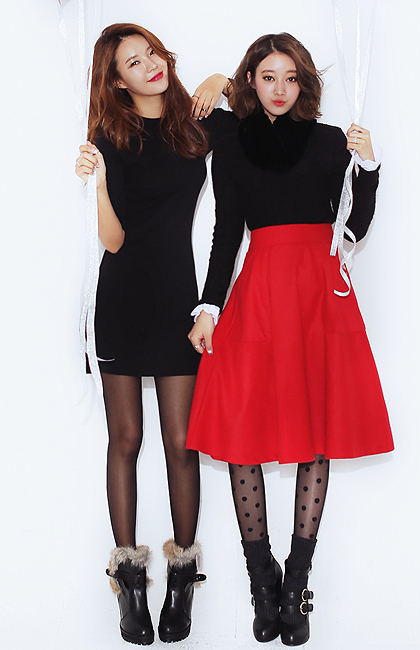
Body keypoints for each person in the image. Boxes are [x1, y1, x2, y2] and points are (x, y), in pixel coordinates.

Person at [187, 32, 394, 646]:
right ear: (252, 80)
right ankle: (262, 579)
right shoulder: (229, 140)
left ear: (304, 82)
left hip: (318, 293)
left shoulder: (330, 142)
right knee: (241, 425)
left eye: (290, 77)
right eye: (267, 76)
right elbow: (226, 231)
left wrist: (369, 167)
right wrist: (209, 307)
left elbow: (352, 228)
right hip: (259, 289)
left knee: (315, 425)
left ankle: (297, 579)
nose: (279, 88)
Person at [75, 23, 237, 646]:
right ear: (117, 81)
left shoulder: (195, 125)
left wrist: (221, 81)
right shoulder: (109, 136)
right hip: (121, 300)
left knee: (180, 441)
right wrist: (98, 183)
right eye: (132, 62)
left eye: (151, 53)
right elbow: (113, 241)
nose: (149, 66)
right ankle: (130, 585)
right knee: (126, 438)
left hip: (177, 302)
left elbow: (252, 119)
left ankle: (183, 577)